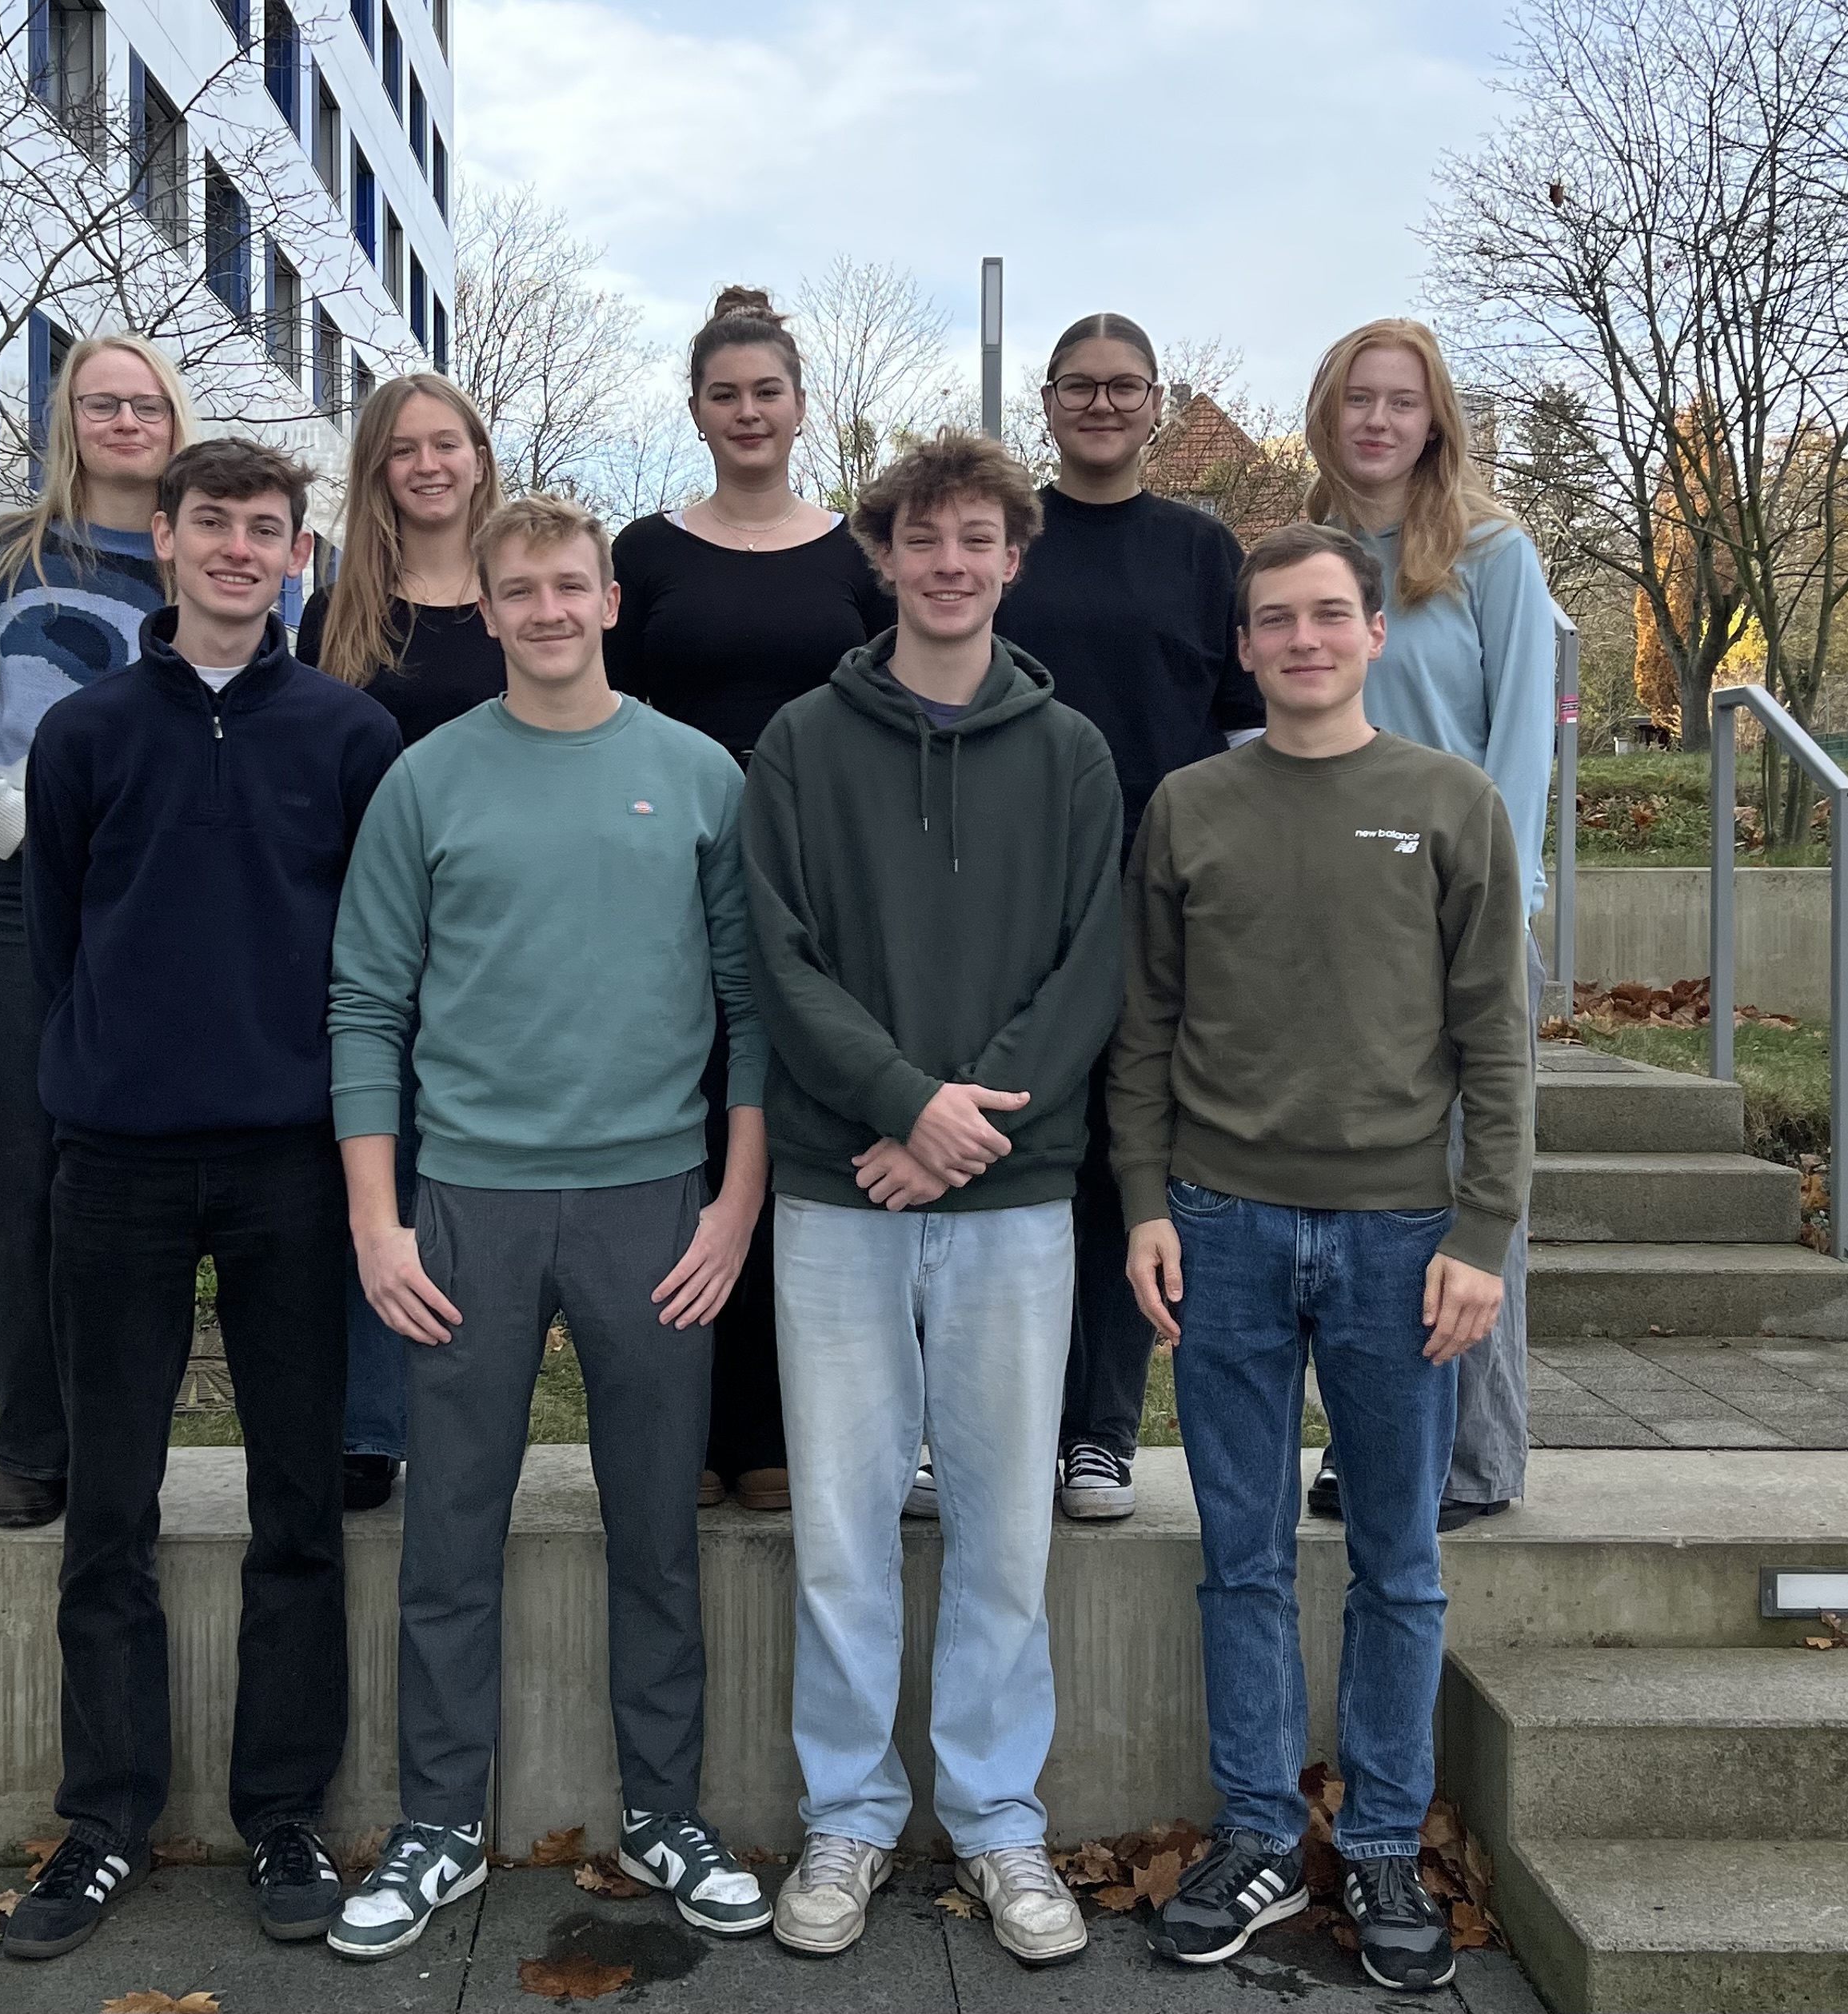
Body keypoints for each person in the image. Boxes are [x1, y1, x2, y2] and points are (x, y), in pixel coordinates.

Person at [327, 493, 772, 1960]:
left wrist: (736, 1202)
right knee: (450, 1534)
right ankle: (439, 1825)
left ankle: (666, 1811)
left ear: (609, 600)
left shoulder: (698, 775)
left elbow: (752, 1007)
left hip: (655, 1207)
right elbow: (365, 1006)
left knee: (656, 1534)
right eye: (518, 591)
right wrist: (379, 1223)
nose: (547, 610)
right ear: (489, 610)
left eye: (570, 586)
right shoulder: (427, 780)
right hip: (469, 1207)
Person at [0, 440, 401, 1962]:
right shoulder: (87, 732)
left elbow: (377, 951)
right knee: (111, 1504)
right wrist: (95, 1082)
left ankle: (283, 1810)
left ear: (300, 554)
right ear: (163, 541)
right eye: (212, 522)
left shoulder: (349, 733)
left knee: (300, 1502)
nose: (240, 548)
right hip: (119, 1164)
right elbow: (59, 937)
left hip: (294, 1160)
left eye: (267, 527)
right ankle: (106, 1818)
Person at [1116, 523, 1531, 1993]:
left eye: (1328, 616)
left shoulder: (1450, 802)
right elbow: (1145, 1027)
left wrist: (1483, 1230)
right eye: (1276, 620)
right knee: (1239, 1555)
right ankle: (1253, 1834)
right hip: (1221, 1224)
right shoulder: (1188, 806)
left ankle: (1382, 1841)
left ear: (1372, 633)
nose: (1303, 640)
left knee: (1398, 1562)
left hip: (1400, 1239)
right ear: (1244, 646)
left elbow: (1496, 1038)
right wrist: (1146, 1203)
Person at [743, 431, 1123, 1968]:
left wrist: (956, 1132)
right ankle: (847, 1813)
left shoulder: (1073, 751)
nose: (950, 563)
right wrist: (903, 1104)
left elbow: (1092, 967)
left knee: (1003, 1527)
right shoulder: (799, 744)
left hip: (1012, 1200)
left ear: (1013, 561)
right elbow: (778, 957)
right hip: (841, 1189)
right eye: (924, 539)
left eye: (978, 540)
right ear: (884, 557)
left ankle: (997, 1816)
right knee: (841, 1527)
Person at [606, 285, 892, 1516]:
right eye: (724, 395)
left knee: (795, 1134)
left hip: (820, 885)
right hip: (673, 882)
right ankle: (691, 1419)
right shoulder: (644, 556)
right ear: (695, 411)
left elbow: (891, 715)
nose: (747, 411)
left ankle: (774, 1425)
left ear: (800, 405)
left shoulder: (860, 556)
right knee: (691, 1137)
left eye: (766, 391)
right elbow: (605, 720)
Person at [0, 333, 192, 1530]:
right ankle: (34, 1442)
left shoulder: (209, 550)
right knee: (28, 1159)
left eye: (146, 404)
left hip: (177, 887)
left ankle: (133, 1443)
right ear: (65, 420)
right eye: (100, 403)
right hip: (38, 883)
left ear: (175, 419)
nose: (125, 422)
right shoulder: (1, 555)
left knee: (164, 1174)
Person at [994, 312, 1263, 1524]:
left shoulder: (1203, 553)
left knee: (1122, 1156)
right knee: (1006, 1148)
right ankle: (984, 1421)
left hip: (1160, 898)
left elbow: (1246, 733)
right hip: (1013, 891)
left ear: (1157, 402)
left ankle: (1098, 1433)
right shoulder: (1006, 544)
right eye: (1079, 386)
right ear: (1046, 401)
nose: (1101, 405)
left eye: (1124, 386)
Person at [1302, 320, 1555, 1534]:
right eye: (1359, 398)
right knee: (1358, 1206)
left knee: (1468, 1191)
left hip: (1463, 917)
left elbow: (1523, 739)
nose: (1378, 421)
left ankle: (1471, 1459)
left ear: (1435, 420)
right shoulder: (1309, 557)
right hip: (1339, 926)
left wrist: (1500, 904)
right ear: (1328, 411)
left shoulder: (1493, 555)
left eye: (1402, 401)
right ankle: (1376, 1443)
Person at [293, 372, 508, 1513]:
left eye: (447, 444)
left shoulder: (521, 597)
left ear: (478, 458)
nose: (428, 465)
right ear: (378, 469)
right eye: (403, 449)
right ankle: (370, 1424)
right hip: (380, 932)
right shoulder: (339, 615)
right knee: (381, 1173)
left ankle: (474, 1418)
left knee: (485, 1191)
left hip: (507, 933)